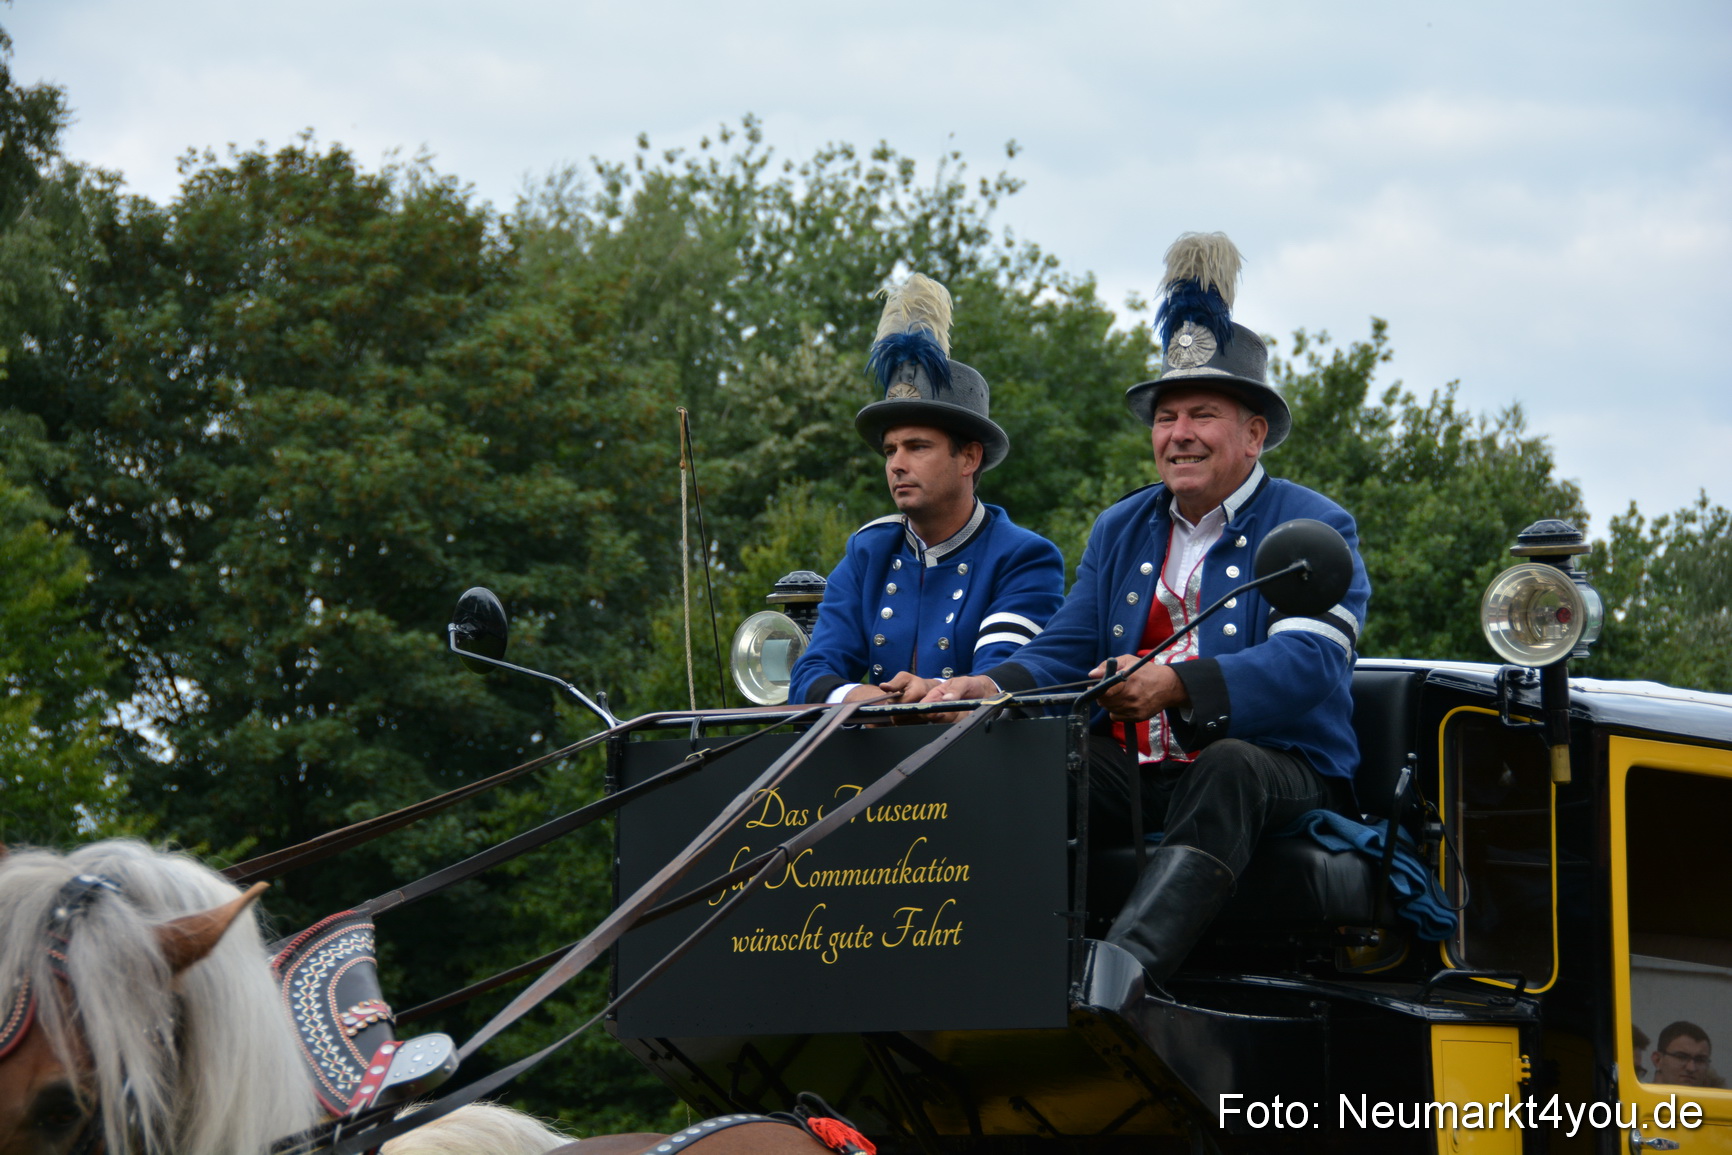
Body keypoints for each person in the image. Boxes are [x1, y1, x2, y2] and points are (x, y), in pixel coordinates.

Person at [925, 232, 1371, 989]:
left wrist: (1177, 684)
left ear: (1254, 433)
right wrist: (989, 686)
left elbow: (1312, 663)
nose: (1180, 434)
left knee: (1228, 766)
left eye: (1203, 413)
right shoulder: (1121, 526)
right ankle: (984, 969)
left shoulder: (1315, 526)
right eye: (1166, 417)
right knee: (1028, 761)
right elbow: (1066, 644)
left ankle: (1121, 977)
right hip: (1142, 765)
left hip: (1282, 769)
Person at [788, 274, 1065, 706]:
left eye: (918, 447)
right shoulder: (868, 552)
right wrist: (856, 696)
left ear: (969, 459)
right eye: (890, 449)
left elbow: (1001, 676)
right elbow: (810, 672)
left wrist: (928, 696)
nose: (897, 463)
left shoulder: (1022, 557)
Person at [1650, 1021, 1713, 1087]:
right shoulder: (1639, 1097)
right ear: (1658, 1060)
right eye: (1681, 1057)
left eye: (1700, 1060)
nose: (1691, 1068)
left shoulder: (1718, 1096)